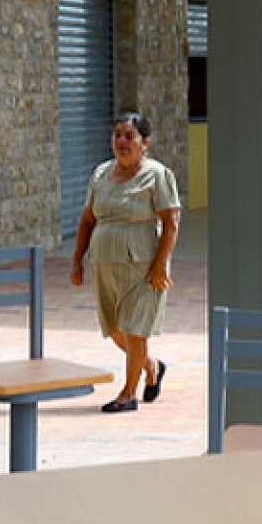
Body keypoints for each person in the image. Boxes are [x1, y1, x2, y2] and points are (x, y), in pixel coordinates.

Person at [71, 112, 181, 413]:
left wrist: (160, 265)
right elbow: (87, 220)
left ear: (145, 142)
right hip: (105, 264)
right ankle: (151, 366)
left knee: (135, 330)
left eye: (129, 136)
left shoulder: (157, 175)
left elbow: (171, 222)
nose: (122, 141)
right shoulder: (100, 174)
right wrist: (77, 261)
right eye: (117, 135)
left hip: (143, 266)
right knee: (115, 329)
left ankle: (128, 394)